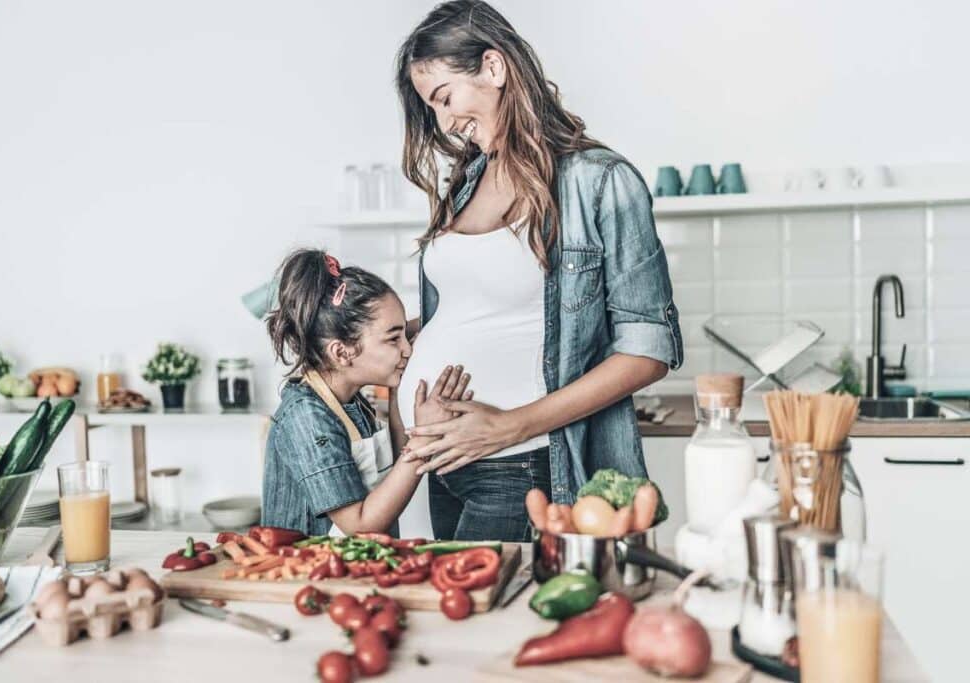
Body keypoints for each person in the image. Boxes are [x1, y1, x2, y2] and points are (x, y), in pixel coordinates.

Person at [393, 0, 684, 542]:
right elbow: (486, 308)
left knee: (495, 623)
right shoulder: (468, 180)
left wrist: (508, 425)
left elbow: (648, 350)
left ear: (494, 68)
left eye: (444, 97)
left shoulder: (600, 181)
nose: (445, 122)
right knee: (461, 624)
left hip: (521, 464)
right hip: (445, 465)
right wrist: (393, 339)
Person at [261, 248, 471, 536]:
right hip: (308, 573)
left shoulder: (357, 401)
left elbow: (397, 462)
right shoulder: (307, 417)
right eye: (393, 338)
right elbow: (359, 524)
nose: (407, 348)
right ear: (342, 352)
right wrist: (424, 442)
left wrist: (401, 394)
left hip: (353, 570)